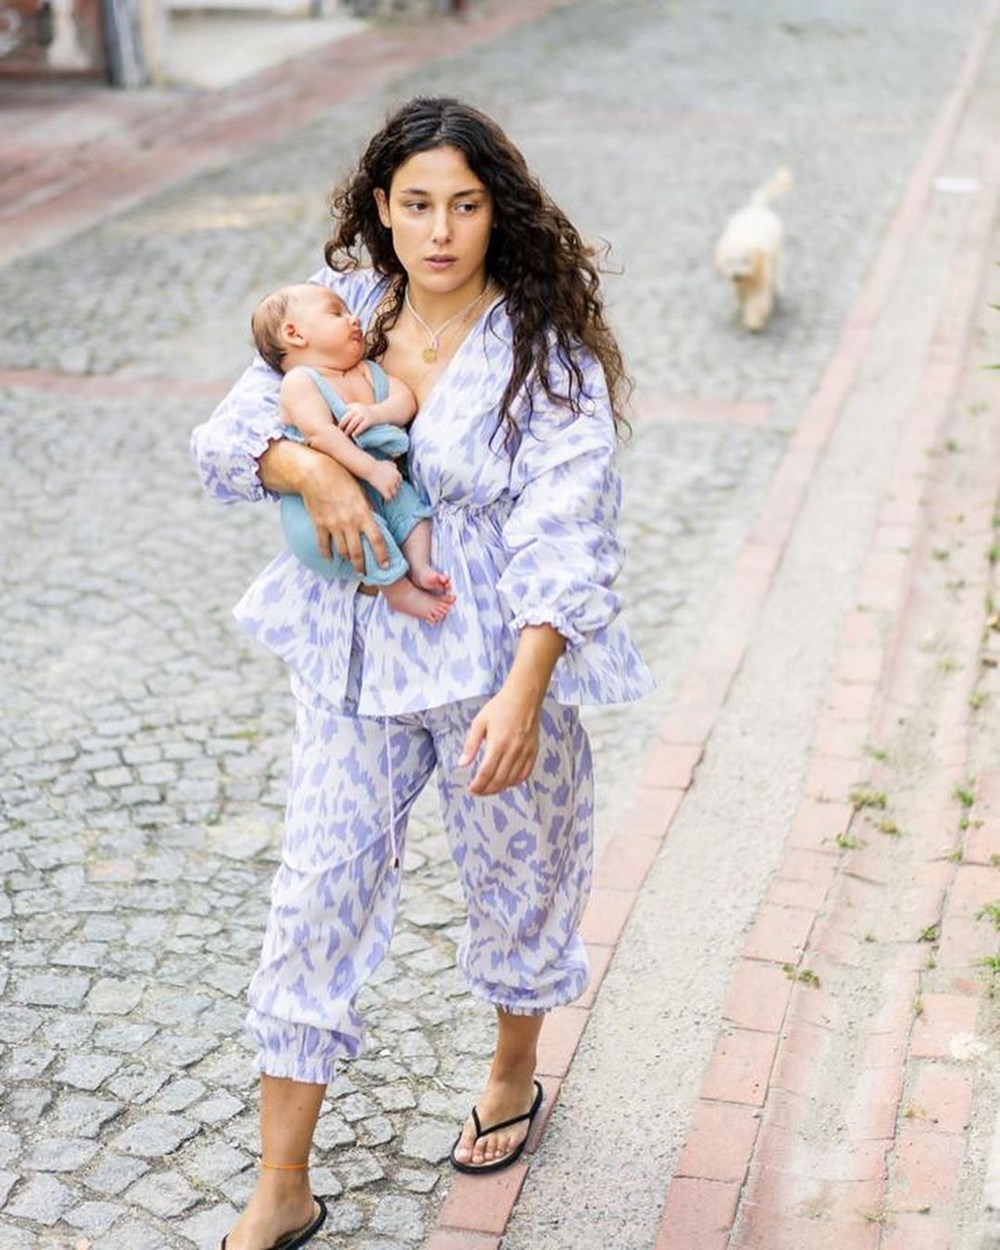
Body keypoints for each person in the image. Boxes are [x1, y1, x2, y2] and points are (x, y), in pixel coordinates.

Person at [190, 96, 653, 1250]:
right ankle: (281, 1185)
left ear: (498, 209)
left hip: (493, 654)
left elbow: (570, 518)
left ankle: (511, 1070)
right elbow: (222, 442)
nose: (440, 229)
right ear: (379, 211)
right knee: (315, 893)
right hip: (351, 660)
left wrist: (528, 687)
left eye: (464, 203)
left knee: (521, 872)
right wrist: (310, 466)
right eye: (415, 205)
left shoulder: (542, 346)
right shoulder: (337, 309)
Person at [251, 281, 454, 624]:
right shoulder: (301, 382)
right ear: (295, 334)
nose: (354, 318)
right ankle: (396, 590)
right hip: (321, 513)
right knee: (368, 533)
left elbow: (404, 400)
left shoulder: (367, 370)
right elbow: (321, 435)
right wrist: (370, 469)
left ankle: (419, 566)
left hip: (379, 485)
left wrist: (376, 413)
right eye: (337, 313)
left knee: (413, 512)